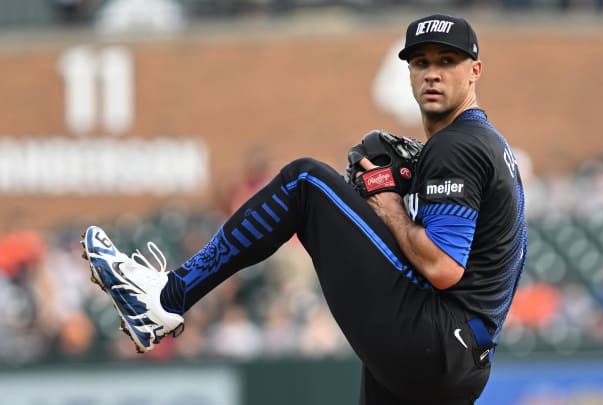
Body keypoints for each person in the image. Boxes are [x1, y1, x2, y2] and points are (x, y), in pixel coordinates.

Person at [81, 14, 526, 404]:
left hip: (435, 343)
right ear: (409, 72)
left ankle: (165, 299)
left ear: (475, 71)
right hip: (462, 360)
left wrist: (388, 206)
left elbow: (443, 266)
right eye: (422, 62)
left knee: (304, 181)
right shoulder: (488, 144)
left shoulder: (457, 145)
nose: (433, 74)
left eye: (447, 62)